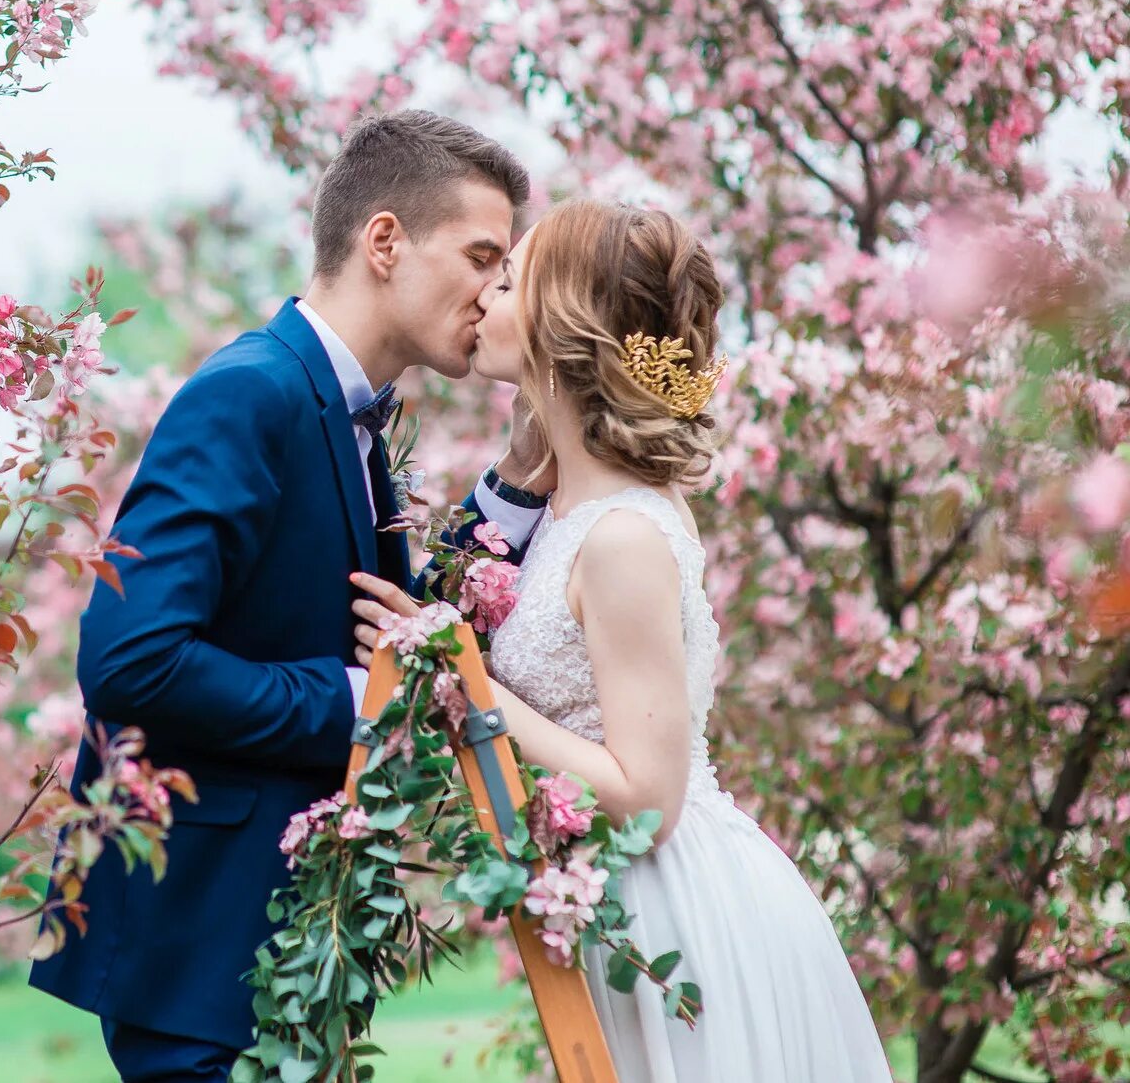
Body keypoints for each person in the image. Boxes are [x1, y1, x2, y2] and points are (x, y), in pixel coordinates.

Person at [27, 110, 554, 1082]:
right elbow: (127, 660)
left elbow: (382, 620)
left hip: (275, 949)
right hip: (197, 947)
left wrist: (515, 488)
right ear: (383, 242)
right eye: (482, 254)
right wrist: (353, 703)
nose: (497, 290)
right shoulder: (249, 395)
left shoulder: (341, 409)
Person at [351, 198, 896, 1082]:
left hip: (679, 917)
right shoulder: (571, 503)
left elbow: (647, 796)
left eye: (512, 277)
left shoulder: (622, 537)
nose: (485, 292)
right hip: (618, 905)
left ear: (563, 326)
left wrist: (456, 672)